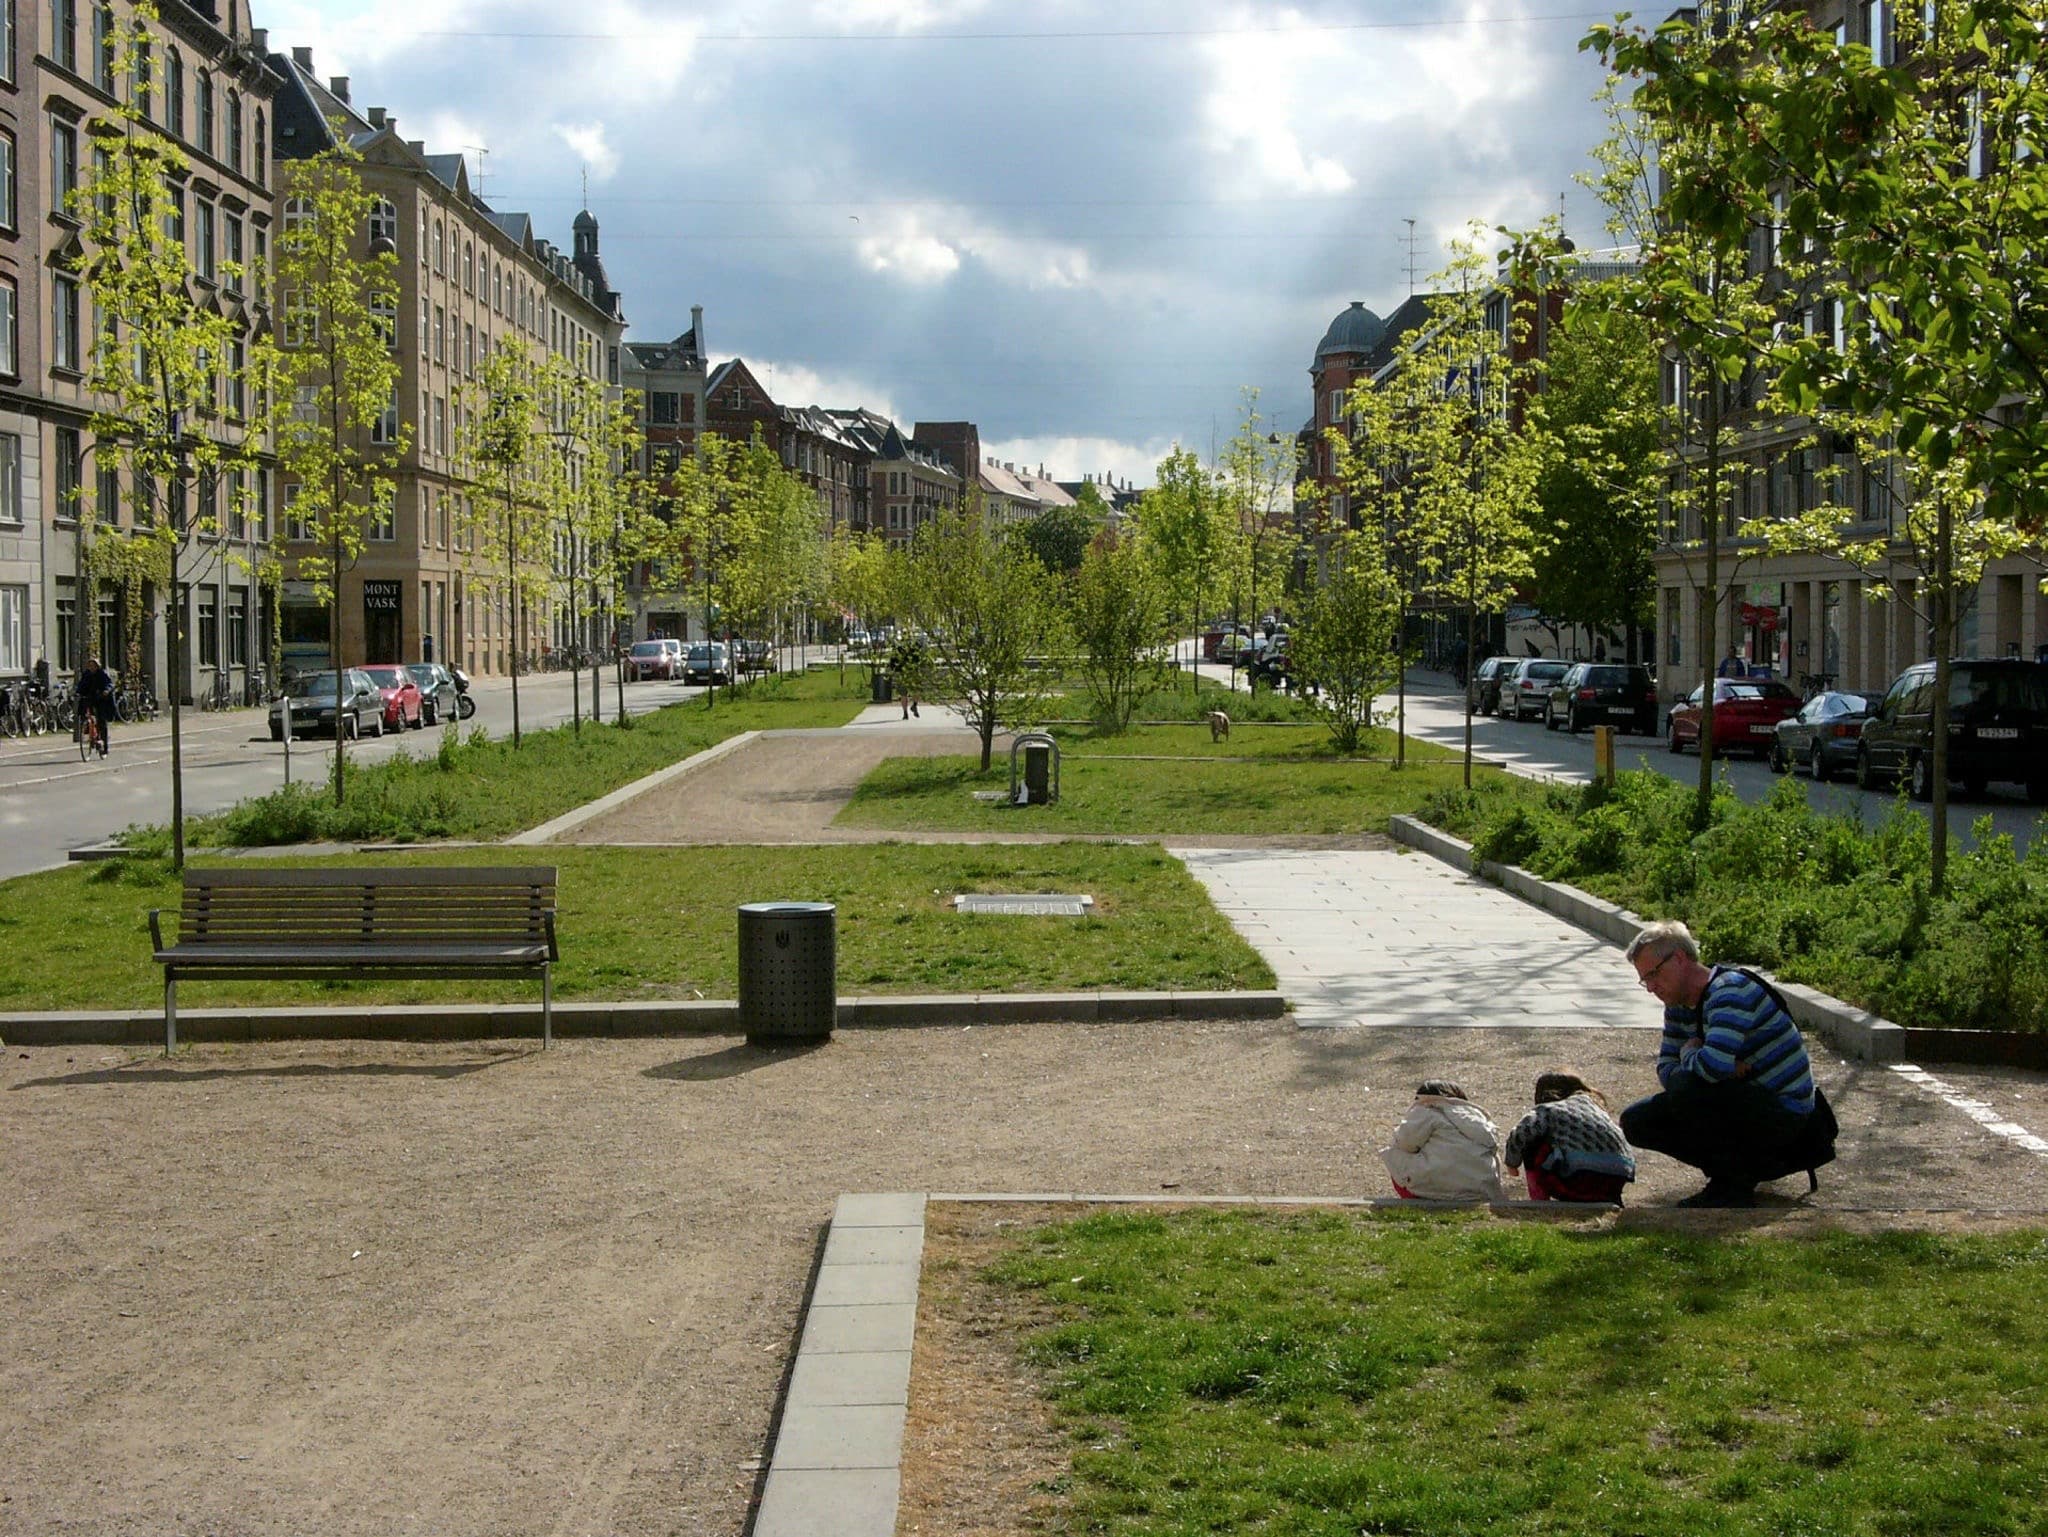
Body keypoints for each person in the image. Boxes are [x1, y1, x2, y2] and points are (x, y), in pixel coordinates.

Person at [1620, 920, 1826, 1208]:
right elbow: (1666, 1069)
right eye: (1645, 980)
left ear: (1679, 959)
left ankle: (1733, 1183)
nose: (1651, 987)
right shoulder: (1677, 1006)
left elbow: (1710, 1067)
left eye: (1654, 974)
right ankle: (1734, 1172)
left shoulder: (1730, 991)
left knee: (1688, 1086)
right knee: (1637, 1120)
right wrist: (1708, 1062)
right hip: (1740, 1101)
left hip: (1784, 1112)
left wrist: (1692, 1053)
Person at [1503, 1073, 1636, 1203]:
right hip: (1618, 1177)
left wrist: (1512, 1163)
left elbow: (1522, 1132)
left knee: (1534, 1140)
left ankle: (1540, 1201)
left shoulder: (1548, 1109)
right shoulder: (1595, 1109)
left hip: (1580, 1181)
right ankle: (1608, 1198)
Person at [1379, 1079, 1503, 1202]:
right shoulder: (1476, 1115)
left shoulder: (1426, 1110)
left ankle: (1418, 1198)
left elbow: (1405, 1143)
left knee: (1393, 1155)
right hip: (1482, 1190)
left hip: (1438, 1189)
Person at [77, 654, 116, 757]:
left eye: (93, 665)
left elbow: (110, 684)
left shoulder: (102, 674)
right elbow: (81, 685)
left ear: (97, 666)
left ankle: (105, 746)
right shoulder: (86, 674)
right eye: (89, 666)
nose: (91, 668)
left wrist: (106, 691)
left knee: (102, 721)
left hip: (101, 699)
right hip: (90, 698)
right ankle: (88, 731)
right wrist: (77, 692)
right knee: (85, 714)